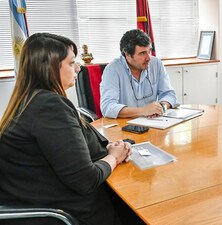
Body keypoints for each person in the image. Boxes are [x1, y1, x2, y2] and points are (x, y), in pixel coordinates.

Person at [0, 33, 132, 225]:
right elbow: (86, 180)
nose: (78, 68)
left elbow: (66, 153)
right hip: (68, 212)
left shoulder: (30, 99)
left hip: (46, 198)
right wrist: (115, 157)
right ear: (50, 67)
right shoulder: (49, 106)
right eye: (71, 63)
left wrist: (108, 150)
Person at [100, 29, 178, 118]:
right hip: (125, 125)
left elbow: (169, 94)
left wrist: (161, 107)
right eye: (142, 53)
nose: (148, 58)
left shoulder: (156, 63)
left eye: (149, 51)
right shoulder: (112, 70)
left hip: (153, 122)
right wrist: (143, 111)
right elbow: (107, 107)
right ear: (127, 55)